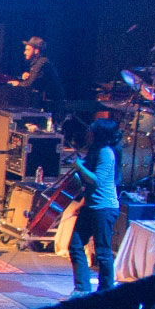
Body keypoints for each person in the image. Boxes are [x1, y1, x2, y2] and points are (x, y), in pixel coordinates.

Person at [63, 118, 122, 295]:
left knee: (102, 251)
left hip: (104, 209)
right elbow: (87, 185)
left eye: (91, 130)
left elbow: (96, 181)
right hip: (91, 207)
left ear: (98, 134)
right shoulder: (94, 151)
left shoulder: (106, 153)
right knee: (75, 244)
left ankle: (106, 291)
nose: (87, 132)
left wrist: (79, 166)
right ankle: (82, 289)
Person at [13, 36, 62, 105]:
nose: (25, 52)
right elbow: (37, 80)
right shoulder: (37, 62)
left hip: (53, 102)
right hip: (46, 101)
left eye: (28, 50)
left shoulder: (42, 62)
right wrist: (27, 76)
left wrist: (18, 84)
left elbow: (30, 84)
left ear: (36, 51)